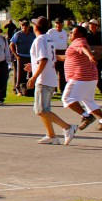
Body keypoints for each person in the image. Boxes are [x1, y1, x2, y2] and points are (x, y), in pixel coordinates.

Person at [27, 17, 77, 146]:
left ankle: (67, 127)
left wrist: (33, 77)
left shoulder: (39, 40)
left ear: (36, 27)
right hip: (50, 77)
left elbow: (43, 59)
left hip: (43, 79)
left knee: (40, 110)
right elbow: (49, 58)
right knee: (45, 110)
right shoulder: (49, 39)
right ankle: (51, 136)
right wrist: (32, 66)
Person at [62, 26, 102, 132]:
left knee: (67, 99)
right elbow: (68, 57)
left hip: (80, 77)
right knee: (88, 100)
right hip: (90, 77)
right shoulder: (79, 42)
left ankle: (86, 116)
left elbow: (83, 48)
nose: (70, 34)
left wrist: (90, 55)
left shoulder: (79, 41)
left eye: (72, 32)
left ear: (80, 35)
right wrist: (53, 56)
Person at [10, 20, 35, 97]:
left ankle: (28, 89)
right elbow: (11, 45)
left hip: (30, 57)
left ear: (28, 27)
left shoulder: (32, 35)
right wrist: (16, 55)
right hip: (21, 56)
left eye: (26, 25)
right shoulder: (18, 34)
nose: (24, 27)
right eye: (22, 25)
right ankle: (18, 89)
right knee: (19, 74)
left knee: (30, 74)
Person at [48, 17, 69, 91]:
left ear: (62, 24)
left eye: (60, 23)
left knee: (62, 71)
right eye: (57, 23)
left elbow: (66, 43)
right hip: (54, 52)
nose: (58, 25)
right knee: (54, 71)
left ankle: (62, 88)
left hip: (63, 52)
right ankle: (54, 89)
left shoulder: (64, 32)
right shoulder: (51, 32)